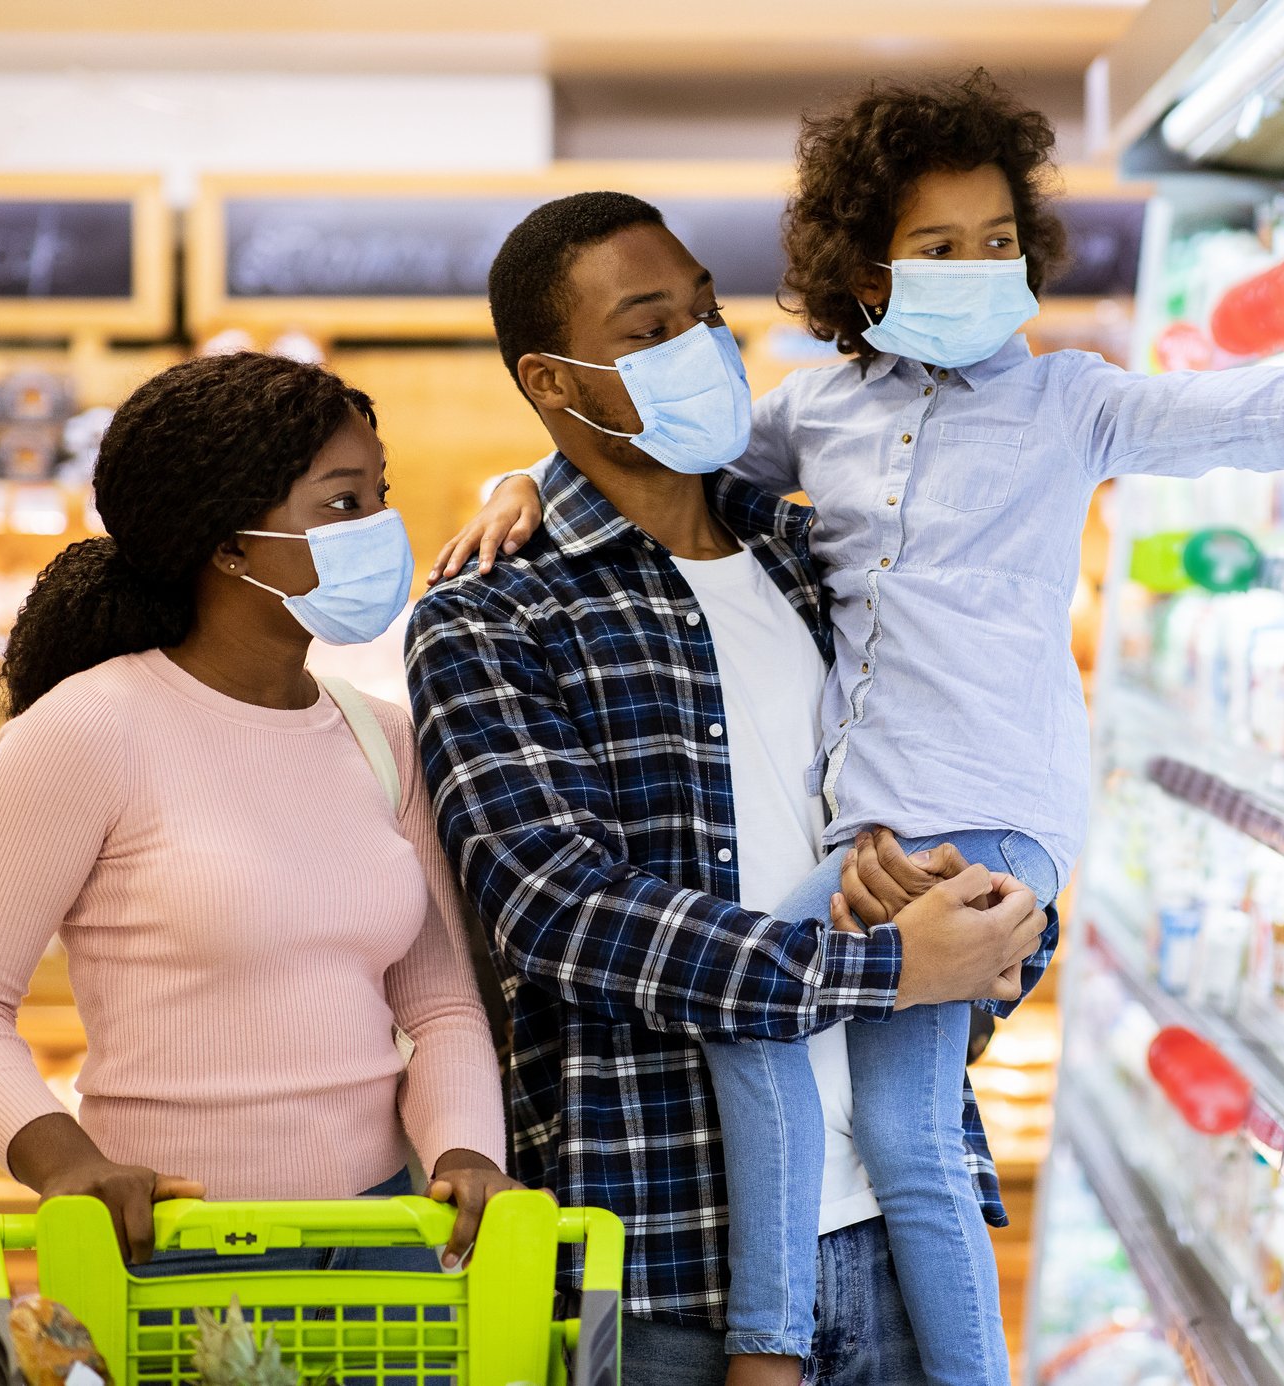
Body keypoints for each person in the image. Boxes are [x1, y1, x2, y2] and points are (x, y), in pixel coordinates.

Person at [432, 74, 1284, 1386]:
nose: (974, 268)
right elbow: (559, 892)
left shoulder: (1026, 419)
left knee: (909, 1127)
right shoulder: (777, 461)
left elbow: (1197, 410)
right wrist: (514, 479)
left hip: (984, 830)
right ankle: (777, 1338)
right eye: (935, 247)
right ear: (860, 271)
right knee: (868, 1088)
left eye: (996, 241)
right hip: (680, 1220)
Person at [405, 190, 1049, 1386]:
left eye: (705, 313)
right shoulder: (491, 615)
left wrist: (1002, 940)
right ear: (551, 382)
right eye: (647, 331)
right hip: (669, 1257)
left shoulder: (815, 552)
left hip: (901, 1226)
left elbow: (959, 763)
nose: (700, 349)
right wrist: (893, 967)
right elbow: (562, 915)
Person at [0, 352, 518, 1272]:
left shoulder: (381, 737)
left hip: (386, 1238)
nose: (379, 529)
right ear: (227, 545)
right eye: (343, 504)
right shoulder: (86, 730)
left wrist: (467, 1152)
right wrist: (63, 1160)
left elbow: (437, 1007)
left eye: (379, 497)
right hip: (174, 1245)